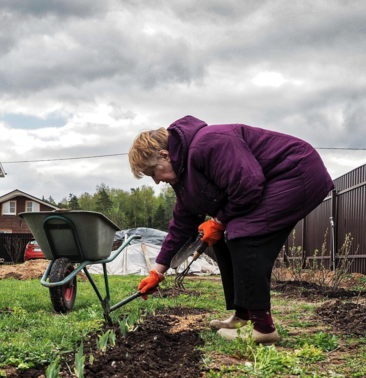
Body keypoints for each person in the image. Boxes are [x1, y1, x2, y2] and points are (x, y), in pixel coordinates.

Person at [130, 116, 334, 344]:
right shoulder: (184, 178)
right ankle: (242, 316)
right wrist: (157, 271)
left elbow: (248, 184)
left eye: (152, 173)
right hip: (272, 180)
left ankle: (263, 328)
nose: (156, 181)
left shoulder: (208, 143)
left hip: (295, 171)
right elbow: (181, 225)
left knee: (245, 233)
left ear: (165, 156)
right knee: (223, 238)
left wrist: (219, 220)